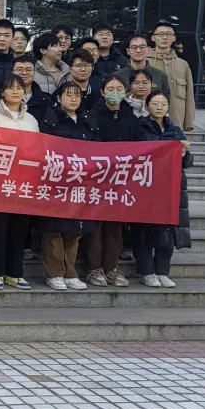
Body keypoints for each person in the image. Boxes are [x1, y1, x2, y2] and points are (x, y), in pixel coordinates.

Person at [37, 81, 100, 291]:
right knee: (54, 230)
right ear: (59, 98)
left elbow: (98, 150)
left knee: (75, 230)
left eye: (77, 95)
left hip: (81, 182)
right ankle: (54, 273)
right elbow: (43, 148)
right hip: (56, 181)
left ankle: (71, 272)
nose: (73, 99)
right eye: (69, 95)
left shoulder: (88, 121)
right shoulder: (49, 119)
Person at [0, 74, 40, 290]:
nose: (15, 91)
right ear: (2, 92)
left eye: (19, 88)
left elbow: (38, 150)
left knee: (19, 230)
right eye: (10, 87)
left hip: (23, 183)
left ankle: (15, 273)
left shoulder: (31, 120)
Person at [85, 75, 141, 288]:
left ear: (125, 92)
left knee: (115, 227)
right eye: (110, 88)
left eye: (119, 89)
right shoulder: (92, 116)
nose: (115, 93)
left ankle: (111, 267)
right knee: (96, 226)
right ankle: (93, 268)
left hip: (120, 180)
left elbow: (140, 146)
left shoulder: (131, 117)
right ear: (102, 92)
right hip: (97, 179)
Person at [135, 91, 193, 288]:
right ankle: (147, 271)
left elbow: (187, 162)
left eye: (163, 104)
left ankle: (163, 271)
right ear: (147, 106)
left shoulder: (175, 130)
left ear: (168, 107)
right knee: (145, 230)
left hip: (171, 187)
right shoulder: (140, 127)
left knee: (168, 230)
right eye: (155, 103)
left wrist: (184, 153)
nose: (159, 107)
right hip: (147, 185)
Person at [147, 21, 196, 130]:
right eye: (160, 34)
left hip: (176, 121)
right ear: (153, 38)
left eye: (169, 34)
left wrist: (189, 122)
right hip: (148, 122)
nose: (165, 37)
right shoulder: (145, 62)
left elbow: (189, 95)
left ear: (174, 38)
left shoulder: (183, 64)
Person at [11, 53, 53, 123]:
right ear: (13, 72)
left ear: (34, 72)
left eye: (28, 70)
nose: (24, 73)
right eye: (20, 69)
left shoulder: (46, 100)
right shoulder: (3, 98)